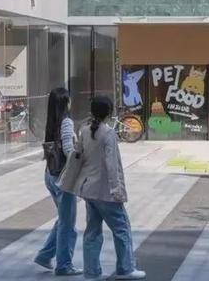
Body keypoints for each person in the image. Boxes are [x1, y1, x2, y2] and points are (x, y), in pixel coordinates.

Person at [62, 95, 145, 280]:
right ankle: (125, 268)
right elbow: (112, 165)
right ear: (109, 112)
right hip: (105, 191)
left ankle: (91, 272)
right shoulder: (108, 133)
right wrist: (117, 190)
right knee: (122, 229)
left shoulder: (84, 131)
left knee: (92, 231)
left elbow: (78, 156)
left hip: (88, 189)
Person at [34, 87, 80, 276]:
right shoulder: (66, 121)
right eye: (69, 99)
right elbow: (69, 149)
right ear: (65, 102)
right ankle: (64, 265)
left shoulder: (51, 122)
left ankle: (45, 255)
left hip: (50, 175)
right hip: (63, 179)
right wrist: (80, 161)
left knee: (63, 219)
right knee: (68, 225)